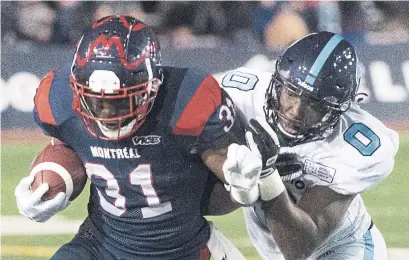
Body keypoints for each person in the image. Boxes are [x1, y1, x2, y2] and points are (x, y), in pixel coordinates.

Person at [14, 15, 262, 260]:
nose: (106, 114)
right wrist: (46, 181)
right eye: (95, 101)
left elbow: (225, 180)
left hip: (182, 250)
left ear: (153, 85)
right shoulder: (57, 98)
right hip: (102, 246)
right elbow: (65, 145)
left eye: (120, 101)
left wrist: (243, 190)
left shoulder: (187, 99)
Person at [218, 31, 399, 259]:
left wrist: (267, 176)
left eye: (314, 105)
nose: (296, 111)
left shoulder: (357, 143)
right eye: (291, 94)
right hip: (272, 246)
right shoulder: (240, 94)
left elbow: (299, 246)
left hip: (341, 247)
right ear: (277, 84)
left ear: (336, 111)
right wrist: (241, 187)